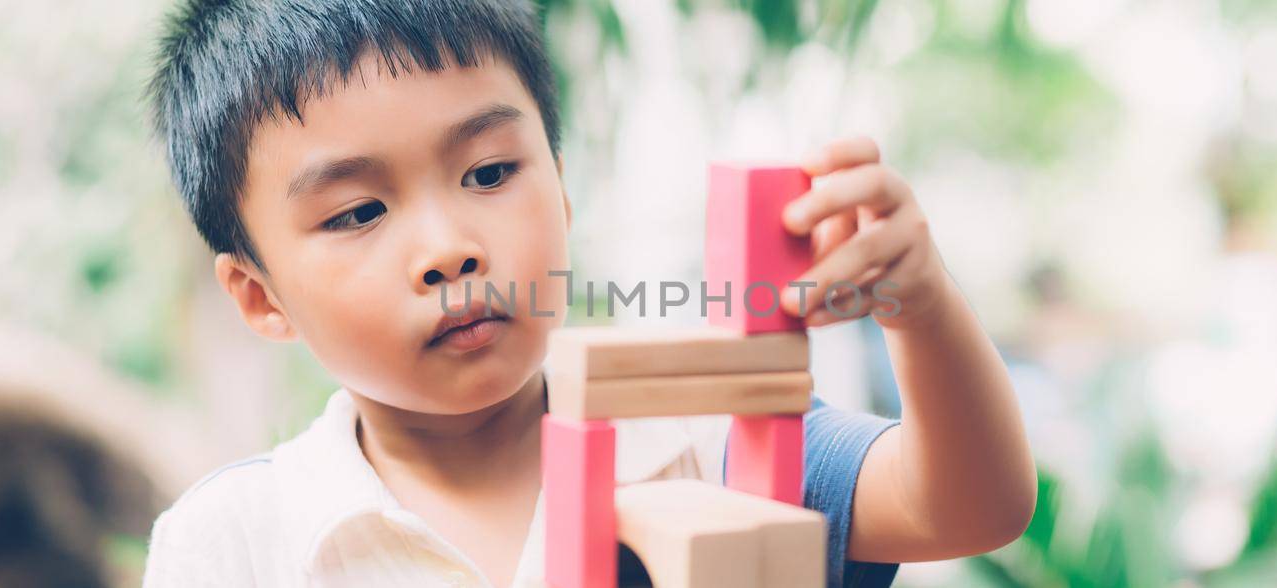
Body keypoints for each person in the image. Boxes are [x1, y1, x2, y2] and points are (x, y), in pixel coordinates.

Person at [142, 1, 1035, 586]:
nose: (450, 249)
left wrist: (920, 308)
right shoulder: (233, 543)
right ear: (260, 297)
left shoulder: (709, 441)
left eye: (490, 172)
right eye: (357, 212)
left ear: (561, 190)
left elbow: (965, 505)